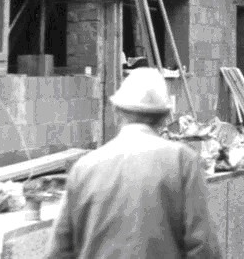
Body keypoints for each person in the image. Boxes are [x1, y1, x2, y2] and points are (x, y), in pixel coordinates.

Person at [46, 68, 219, 258]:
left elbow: (59, 250)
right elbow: (203, 246)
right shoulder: (182, 162)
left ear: (117, 111)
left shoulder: (84, 167)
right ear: (164, 116)